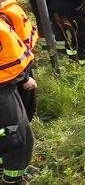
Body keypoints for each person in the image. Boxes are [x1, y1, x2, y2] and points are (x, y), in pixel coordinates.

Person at [0, 16, 35, 184]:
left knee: (8, 134)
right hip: (3, 91)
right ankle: (13, 178)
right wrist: (23, 78)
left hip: (6, 86)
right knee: (17, 136)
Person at [0, 0, 37, 121]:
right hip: (15, 76)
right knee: (21, 110)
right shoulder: (5, 15)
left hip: (22, 66)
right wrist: (24, 79)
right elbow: (8, 53)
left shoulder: (7, 9)